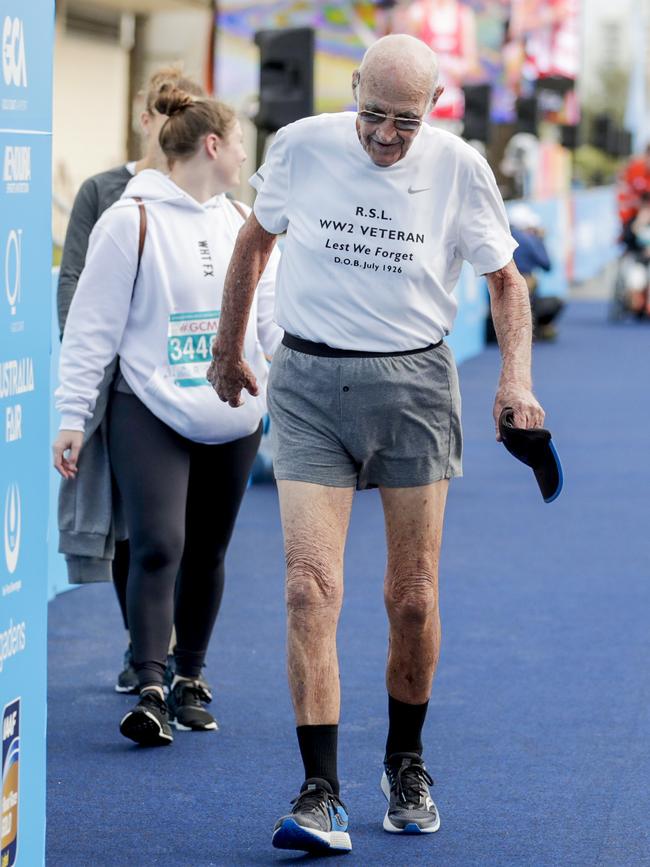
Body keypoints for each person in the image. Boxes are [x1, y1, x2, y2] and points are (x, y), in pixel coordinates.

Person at [208, 33, 545, 854]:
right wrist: (229, 347)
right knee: (306, 587)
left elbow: (507, 281)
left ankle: (406, 762)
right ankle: (320, 790)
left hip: (417, 388)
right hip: (313, 384)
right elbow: (256, 241)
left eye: (405, 120)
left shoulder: (461, 167)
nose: (386, 137)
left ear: (433, 109)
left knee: (413, 595)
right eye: (372, 115)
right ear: (351, 88)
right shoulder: (301, 147)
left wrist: (516, 381)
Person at [53, 88, 281, 746]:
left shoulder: (247, 220)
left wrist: (292, 396)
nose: (245, 155)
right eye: (240, 143)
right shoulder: (130, 220)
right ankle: (150, 685)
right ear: (212, 145)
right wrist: (74, 415)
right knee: (157, 546)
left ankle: (191, 678)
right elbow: (92, 329)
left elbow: (273, 326)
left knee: (208, 551)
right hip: (147, 406)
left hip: (234, 414)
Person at [57, 66, 205, 695]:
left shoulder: (208, 198)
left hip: (195, 384)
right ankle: (147, 647)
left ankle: (180, 659)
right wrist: (100, 359)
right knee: (134, 527)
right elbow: (76, 286)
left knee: (189, 529)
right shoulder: (103, 191)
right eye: (160, 111)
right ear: (143, 118)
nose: (166, 123)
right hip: (125, 387)